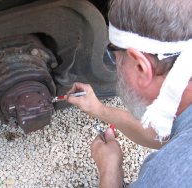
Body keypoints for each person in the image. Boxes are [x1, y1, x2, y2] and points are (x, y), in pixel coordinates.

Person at [67, 0, 192, 187]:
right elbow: (167, 134)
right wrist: (99, 109)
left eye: (115, 56)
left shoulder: (168, 175)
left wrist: (110, 169)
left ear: (141, 66)